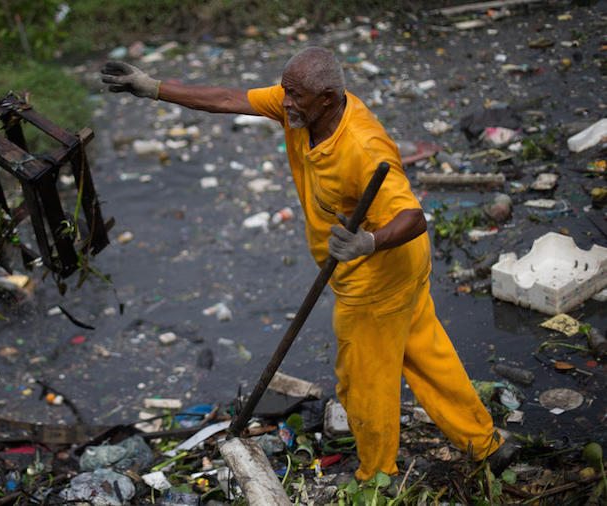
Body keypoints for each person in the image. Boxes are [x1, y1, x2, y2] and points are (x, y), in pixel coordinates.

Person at [100, 47, 516, 480]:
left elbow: (413, 217)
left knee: (363, 382)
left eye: (295, 96)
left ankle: (377, 478)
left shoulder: (361, 145)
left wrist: (368, 241)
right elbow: (228, 98)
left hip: (375, 279)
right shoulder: (299, 109)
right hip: (402, 268)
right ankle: (486, 444)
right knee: (427, 357)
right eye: (285, 92)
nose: (284, 102)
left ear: (328, 98)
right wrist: (154, 87)